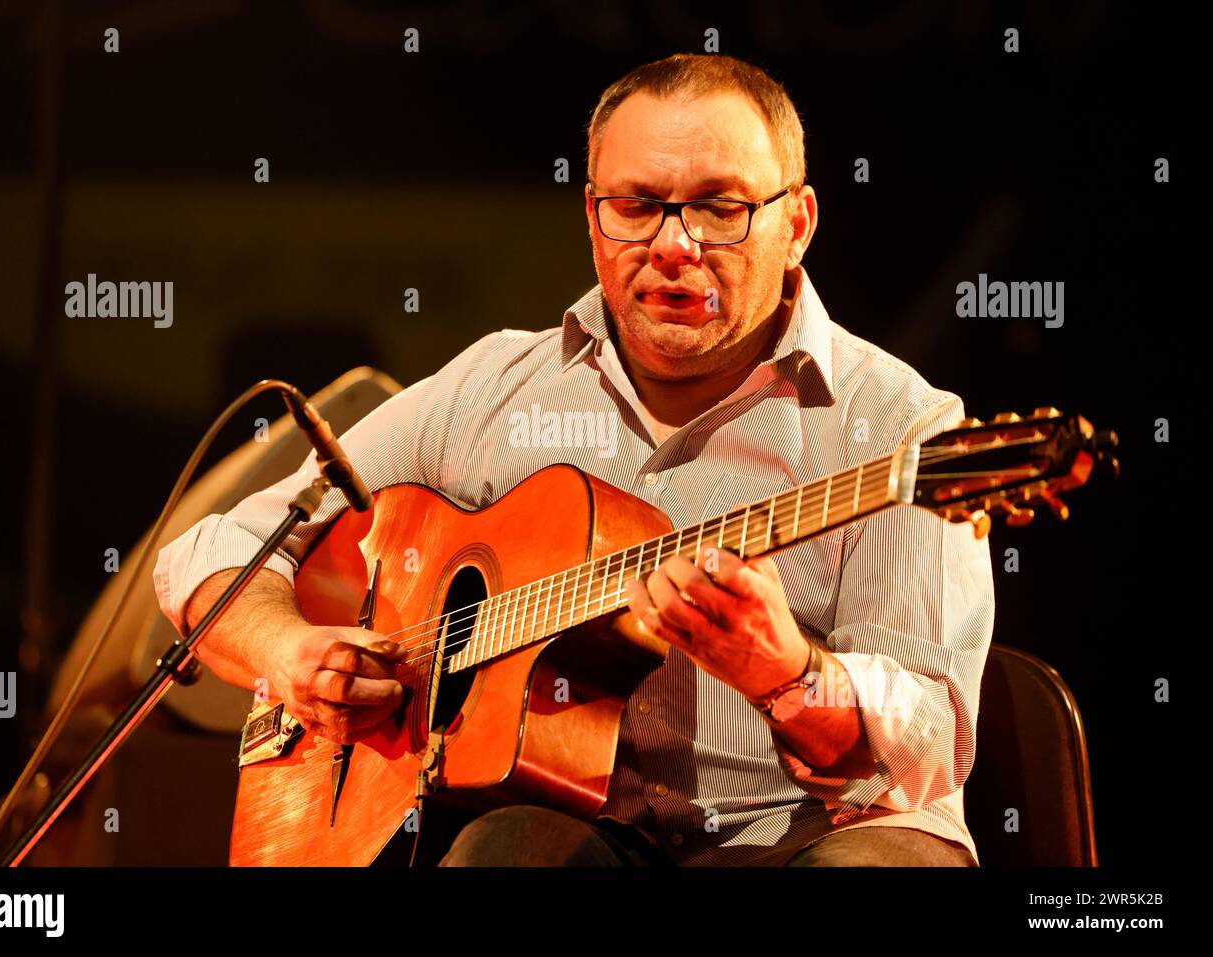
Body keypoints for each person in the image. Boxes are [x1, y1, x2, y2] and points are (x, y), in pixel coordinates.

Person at [153, 53, 993, 867]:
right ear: (592, 218)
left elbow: (927, 748)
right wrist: (288, 653)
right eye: (638, 205)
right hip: (575, 834)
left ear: (797, 223)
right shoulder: (493, 387)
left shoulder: (903, 429)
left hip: (814, 835)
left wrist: (787, 673)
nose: (675, 243)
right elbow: (210, 552)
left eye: (720, 206)